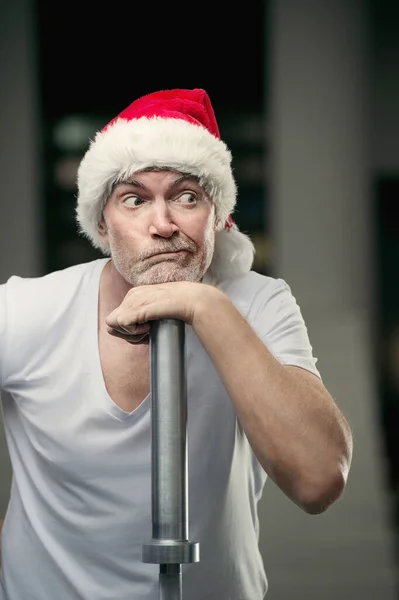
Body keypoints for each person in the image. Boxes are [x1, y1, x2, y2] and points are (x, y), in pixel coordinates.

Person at [0, 88, 353, 600]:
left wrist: (203, 306)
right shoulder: (28, 310)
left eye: (187, 197)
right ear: (102, 222)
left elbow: (318, 478)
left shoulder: (258, 303)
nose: (162, 225)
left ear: (217, 215)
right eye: (134, 199)